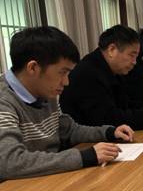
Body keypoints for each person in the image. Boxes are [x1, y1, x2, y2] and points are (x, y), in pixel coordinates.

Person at [0, 26, 134, 180]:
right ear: (33, 68)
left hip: (48, 179)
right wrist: (86, 157)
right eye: (62, 72)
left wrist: (108, 132)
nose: (66, 82)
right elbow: (10, 163)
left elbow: (68, 130)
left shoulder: (44, 90)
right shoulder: (4, 101)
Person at [60, 25, 143, 130]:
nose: (134, 62)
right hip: (86, 142)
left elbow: (124, 106)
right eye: (131, 55)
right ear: (112, 50)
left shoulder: (114, 69)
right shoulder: (88, 73)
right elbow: (107, 118)